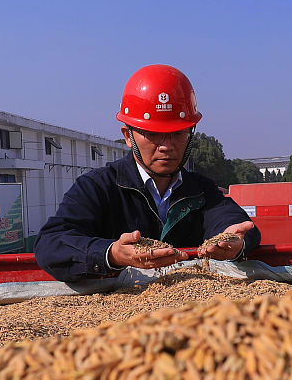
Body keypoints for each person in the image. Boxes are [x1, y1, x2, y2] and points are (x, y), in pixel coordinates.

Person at [35, 64, 260, 282]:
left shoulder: (201, 190)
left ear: (191, 133)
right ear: (128, 135)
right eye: (153, 134)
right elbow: (51, 244)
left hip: (190, 303)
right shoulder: (97, 187)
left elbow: (233, 222)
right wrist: (111, 254)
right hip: (120, 305)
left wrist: (236, 241)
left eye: (178, 133)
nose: (166, 146)